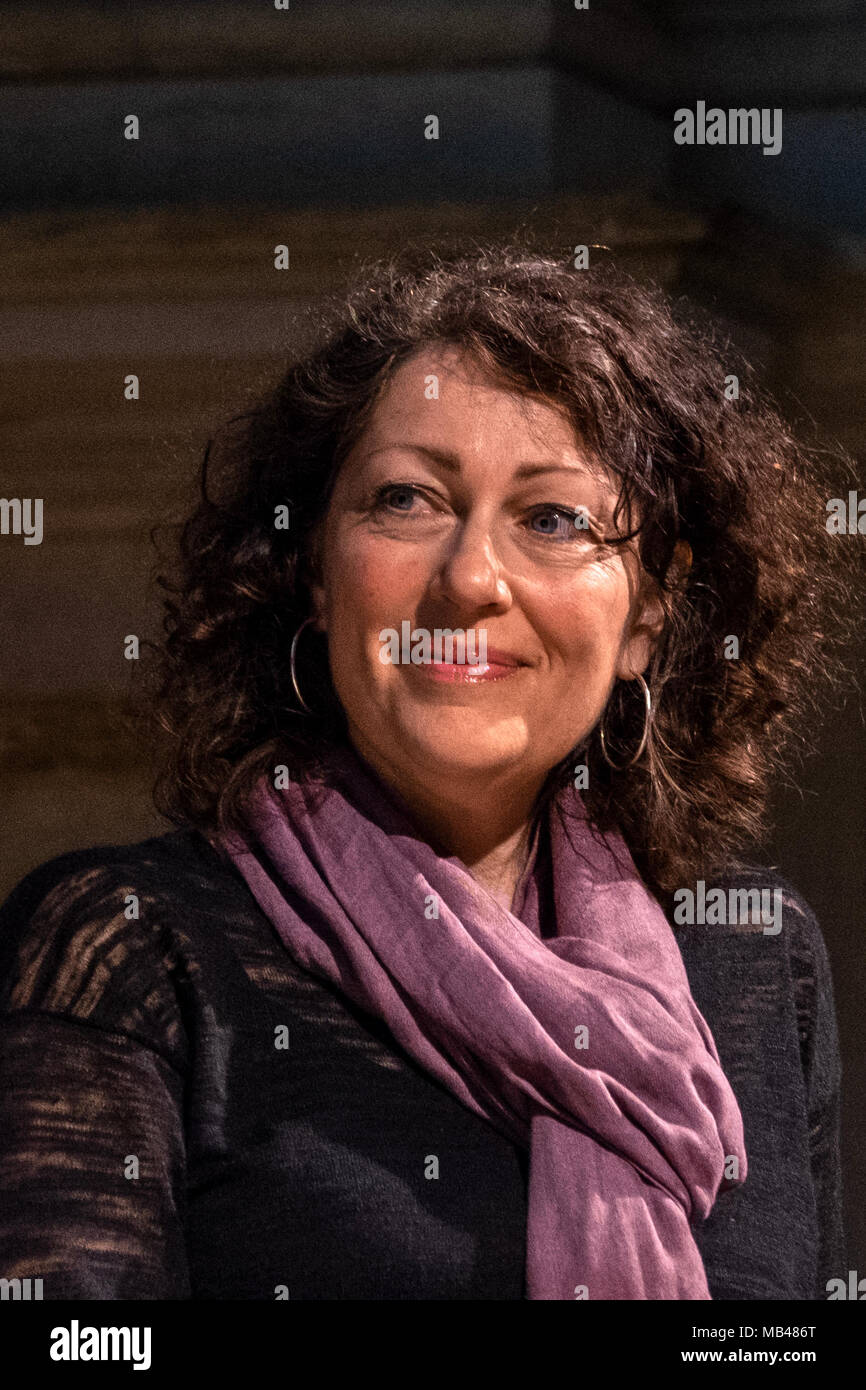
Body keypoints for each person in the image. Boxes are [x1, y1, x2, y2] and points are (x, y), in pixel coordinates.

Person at [0, 244, 858, 1300]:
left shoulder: (756, 957)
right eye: (406, 500)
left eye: (552, 518)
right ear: (315, 568)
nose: (469, 580)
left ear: (649, 613)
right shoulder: (131, 944)